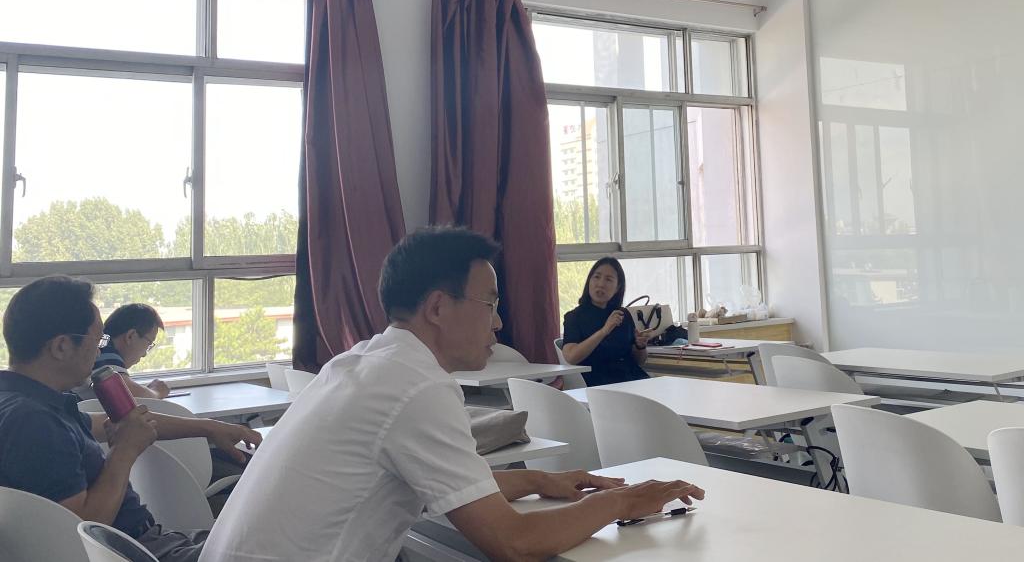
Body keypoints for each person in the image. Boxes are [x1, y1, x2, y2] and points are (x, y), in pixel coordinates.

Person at [200, 227, 704, 562]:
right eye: (490, 304)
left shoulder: (364, 363)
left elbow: (450, 481)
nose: (499, 323)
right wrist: (623, 501)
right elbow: (514, 543)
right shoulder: (416, 387)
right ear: (439, 308)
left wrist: (540, 480)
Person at [0, 275, 262, 562]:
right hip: (130, 551)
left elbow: (115, 422)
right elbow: (79, 533)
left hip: (147, 542)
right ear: (61, 346)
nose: (99, 350)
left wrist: (208, 427)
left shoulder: (22, 402)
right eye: (97, 340)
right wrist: (124, 451)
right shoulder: (35, 423)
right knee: (277, 545)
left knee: (263, 538)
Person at [561, 257, 655, 387]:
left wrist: (640, 346)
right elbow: (571, 357)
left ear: (617, 288)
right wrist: (604, 331)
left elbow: (640, 361)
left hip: (631, 379)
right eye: (596, 277)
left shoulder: (623, 315)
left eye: (608, 279)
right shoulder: (574, 317)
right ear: (589, 281)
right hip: (599, 383)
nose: (600, 284)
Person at [75, 303, 170, 400]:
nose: (144, 354)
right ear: (130, 336)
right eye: (149, 343)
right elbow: (127, 394)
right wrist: (157, 392)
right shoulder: (104, 353)